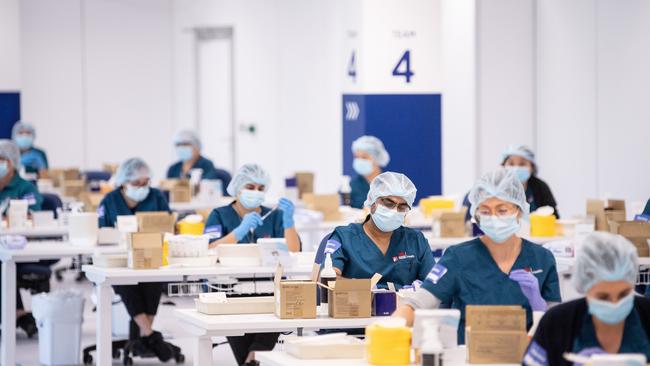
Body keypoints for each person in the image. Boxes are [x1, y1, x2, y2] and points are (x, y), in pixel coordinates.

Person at [393, 169, 561, 343]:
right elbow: (420, 302)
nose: (494, 217)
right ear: (477, 213)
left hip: (523, 355)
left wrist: (539, 305)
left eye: (502, 210)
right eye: (486, 211)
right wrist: (392, 327)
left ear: (519, 210)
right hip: (468, 356)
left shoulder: (542, 258)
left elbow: (557, 324)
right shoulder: (457, 257)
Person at [203, 163, 299, 365]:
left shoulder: (274, 216)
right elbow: (209, 249)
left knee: (274, 315)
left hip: (270, 289)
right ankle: (251, 359)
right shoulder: (219, 214)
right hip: (230, 288)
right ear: (237, 188)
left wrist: (289, 223)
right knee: (242, 335)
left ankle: (251, 359)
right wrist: (238, 232)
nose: (255, 192)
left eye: (260, 188)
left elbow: (294, 249)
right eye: (250, 187)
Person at [524, 232, 650, 365]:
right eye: (603, 297)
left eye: (623, 294)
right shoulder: (557, 323)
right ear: (585, 288)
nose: (615, 303)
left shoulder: (647, 314)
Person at [97, 158, 176, 362]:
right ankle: (150, 335)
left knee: (152, 283)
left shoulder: (156, 196)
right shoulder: (109, 201)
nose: (142, 188)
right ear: (123, 182)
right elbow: (100, 232)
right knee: (126, 283)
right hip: (120, 259)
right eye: (136, 184)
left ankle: (145, 335)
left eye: (146, 182)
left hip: (150, 258)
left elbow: (168, 226)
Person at [317, 172, 434, 289]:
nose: (394, 211)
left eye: (402, 207)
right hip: (357, 305)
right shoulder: (344, 238)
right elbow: (327, 281)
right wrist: (367, 291)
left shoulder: (416, 241)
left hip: (404, 306)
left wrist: (417, 292)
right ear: (372, 202)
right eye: (388, 203)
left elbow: (435, 286)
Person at [0, 139, 44, 337]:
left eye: (2, 160)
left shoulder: (25, 188)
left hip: (21, 246)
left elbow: (32, 215)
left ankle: (14, 314)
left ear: (12, 162)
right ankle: (18, 314)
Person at [462, 145, 560, 222]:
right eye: (511, 164)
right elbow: (469, 210)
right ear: (503, 166)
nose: (516, 168)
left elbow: (554, 218)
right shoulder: (491, 185)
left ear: (532, 167)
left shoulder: (540, 187)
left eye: (522, 164)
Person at [166, 130, 231, 195]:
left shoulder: (206, 164)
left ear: (197, 146)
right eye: (178, 144)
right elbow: (166, 189)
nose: (181, 147)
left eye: (185, 144)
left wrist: (178, 185)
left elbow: (207, 185)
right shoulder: (173, 168)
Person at [349, 135, 390, 209]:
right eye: (356, 157)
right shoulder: (352, 184)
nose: (360, 161)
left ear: (377, 159)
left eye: (364, 157)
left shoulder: (390, 183)